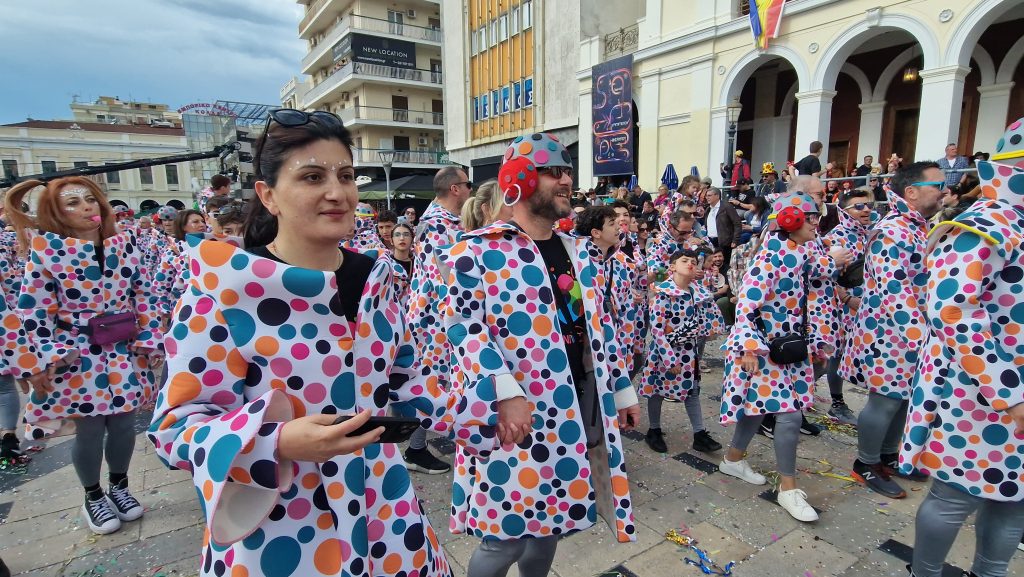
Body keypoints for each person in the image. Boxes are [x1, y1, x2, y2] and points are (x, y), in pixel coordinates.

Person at [148, 109, 452, 577]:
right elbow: (175, 430)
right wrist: (277, 442)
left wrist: (488, 408)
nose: (337, 192)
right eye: (312, 176)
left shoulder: (378, 275)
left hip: (389, 520)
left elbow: (404, 379)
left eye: (346, 175)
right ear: (269, 196)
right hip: (283, 535)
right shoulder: (224, 290)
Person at [445, 133, 640, 577]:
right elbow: (462, 327)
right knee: (505, 538)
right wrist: (506, 392)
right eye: (555, 171)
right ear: (519, 179)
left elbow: (599, 326)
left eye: (568, 170)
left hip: (572, 410)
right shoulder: (474, 251)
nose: (567, 180)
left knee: (549, 524)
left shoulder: (580, 251)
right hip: (513, 419)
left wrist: (623, 390)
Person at [4, 176, 163, 535]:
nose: (86, 207)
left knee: (124, 426)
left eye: (90, 199)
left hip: (123, 351)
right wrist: (48, 354)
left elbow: (145, 293)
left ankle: (119, 487)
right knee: (89, 431)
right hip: (78, 355)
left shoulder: (124, 245)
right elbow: (33, 309)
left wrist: (150, 334)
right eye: (72, 203)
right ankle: (93, 495)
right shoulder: (47, 252)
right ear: (56, 214)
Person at [902, 122, 1024, 577]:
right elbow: (951, 308)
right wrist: (1008, 393)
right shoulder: (986, 224)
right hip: (976, 392)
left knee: (1014, 498)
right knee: (955, 496)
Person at [719, 193, 837, 522]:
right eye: (812, 217)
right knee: (789, 414)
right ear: (792, 221)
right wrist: (748, 347)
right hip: (763, 348)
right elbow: (744, 306)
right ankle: (789, 489)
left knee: (758, 410)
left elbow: (823, 280)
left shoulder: (805, 252)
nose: (818, 222)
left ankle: (732, 459)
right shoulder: (771, 257)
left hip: (792, 347)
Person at [841, 161, 946, 499]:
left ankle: (889, 455)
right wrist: (921, 339)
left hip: (910, 332)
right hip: (889, 334)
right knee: (885, 401)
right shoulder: (894, 230)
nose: (944, 190)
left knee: (902, 399)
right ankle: (866, 463)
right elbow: (894, 290)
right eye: (937, 185)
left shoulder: (917, 227)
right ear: (911, 192)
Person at [406, 165, 473, 474]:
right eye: (467, 184)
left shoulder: (445, 221)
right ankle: (416, 449)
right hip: (436, 318)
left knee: (442, 382)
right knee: (434, 383)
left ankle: (422, 446)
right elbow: (442, 276)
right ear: (455, 189)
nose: (471, 189)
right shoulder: (437, 224)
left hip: (439, 315)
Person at [641, 249, 723, 454]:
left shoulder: (698, 292)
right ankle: (654, 429)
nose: (690, 264)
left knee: (692, 391)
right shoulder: (663, 294)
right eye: (684, 260)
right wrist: (670, 359)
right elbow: (657, 331)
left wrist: (709, 329)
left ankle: (699, 434)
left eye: (694, 261)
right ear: (672, 266)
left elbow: (710, 318)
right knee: (657, 391)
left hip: (689, 352)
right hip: (664, 351)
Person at [820, 188, 874, 426]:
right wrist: (847, 300)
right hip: (842, 307)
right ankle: (837, 403)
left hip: (869, 305)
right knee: (834, 356)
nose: (866, 210)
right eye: (859, 206)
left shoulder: (874, 235)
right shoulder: (836, 237)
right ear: (844, 211)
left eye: (868, 205)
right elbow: (827, 278)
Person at [704, 187, 742, 274]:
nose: (707, 197)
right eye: (706, 196)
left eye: (709, 195)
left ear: (717, 196)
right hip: (711, 240)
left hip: (725, 241)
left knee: (725, 264)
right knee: (713, 264)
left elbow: (737, 223)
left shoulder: (726, 206)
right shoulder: (708, 209)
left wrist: (735, 240)